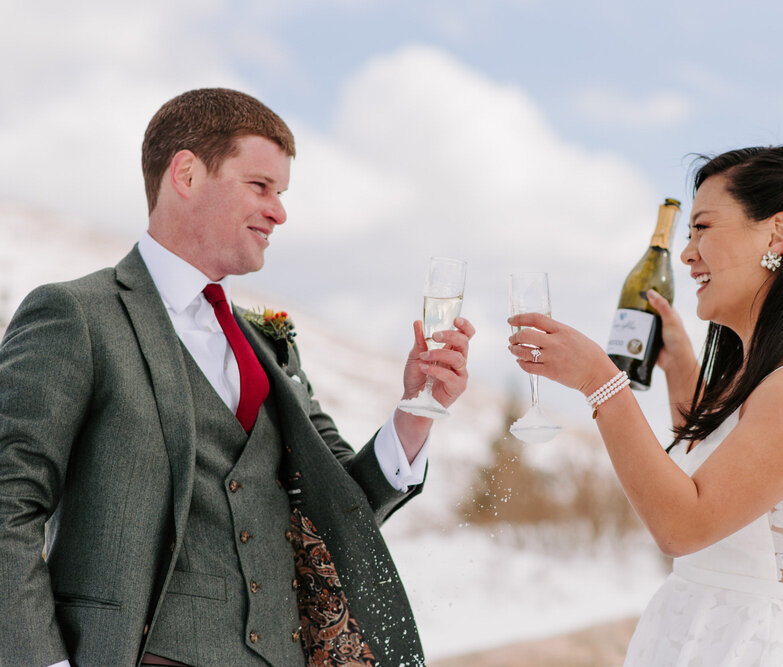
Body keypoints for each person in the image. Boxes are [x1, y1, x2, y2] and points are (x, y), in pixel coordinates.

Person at [0, 88, 474, 667]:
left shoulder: (266, 343)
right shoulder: (78, 316)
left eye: (281, 193)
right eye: (260, 186)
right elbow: (8, 504)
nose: (279, 211)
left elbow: (341, 508)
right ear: (186, 173)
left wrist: (413, 412)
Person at [509, 145, 783, 665]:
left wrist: (599, 382)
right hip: (708, 636)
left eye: (703, 228)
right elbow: (721, 485)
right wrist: (680, 366)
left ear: (777, 234)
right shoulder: (769, 373)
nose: (687, 253)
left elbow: (684, 525)